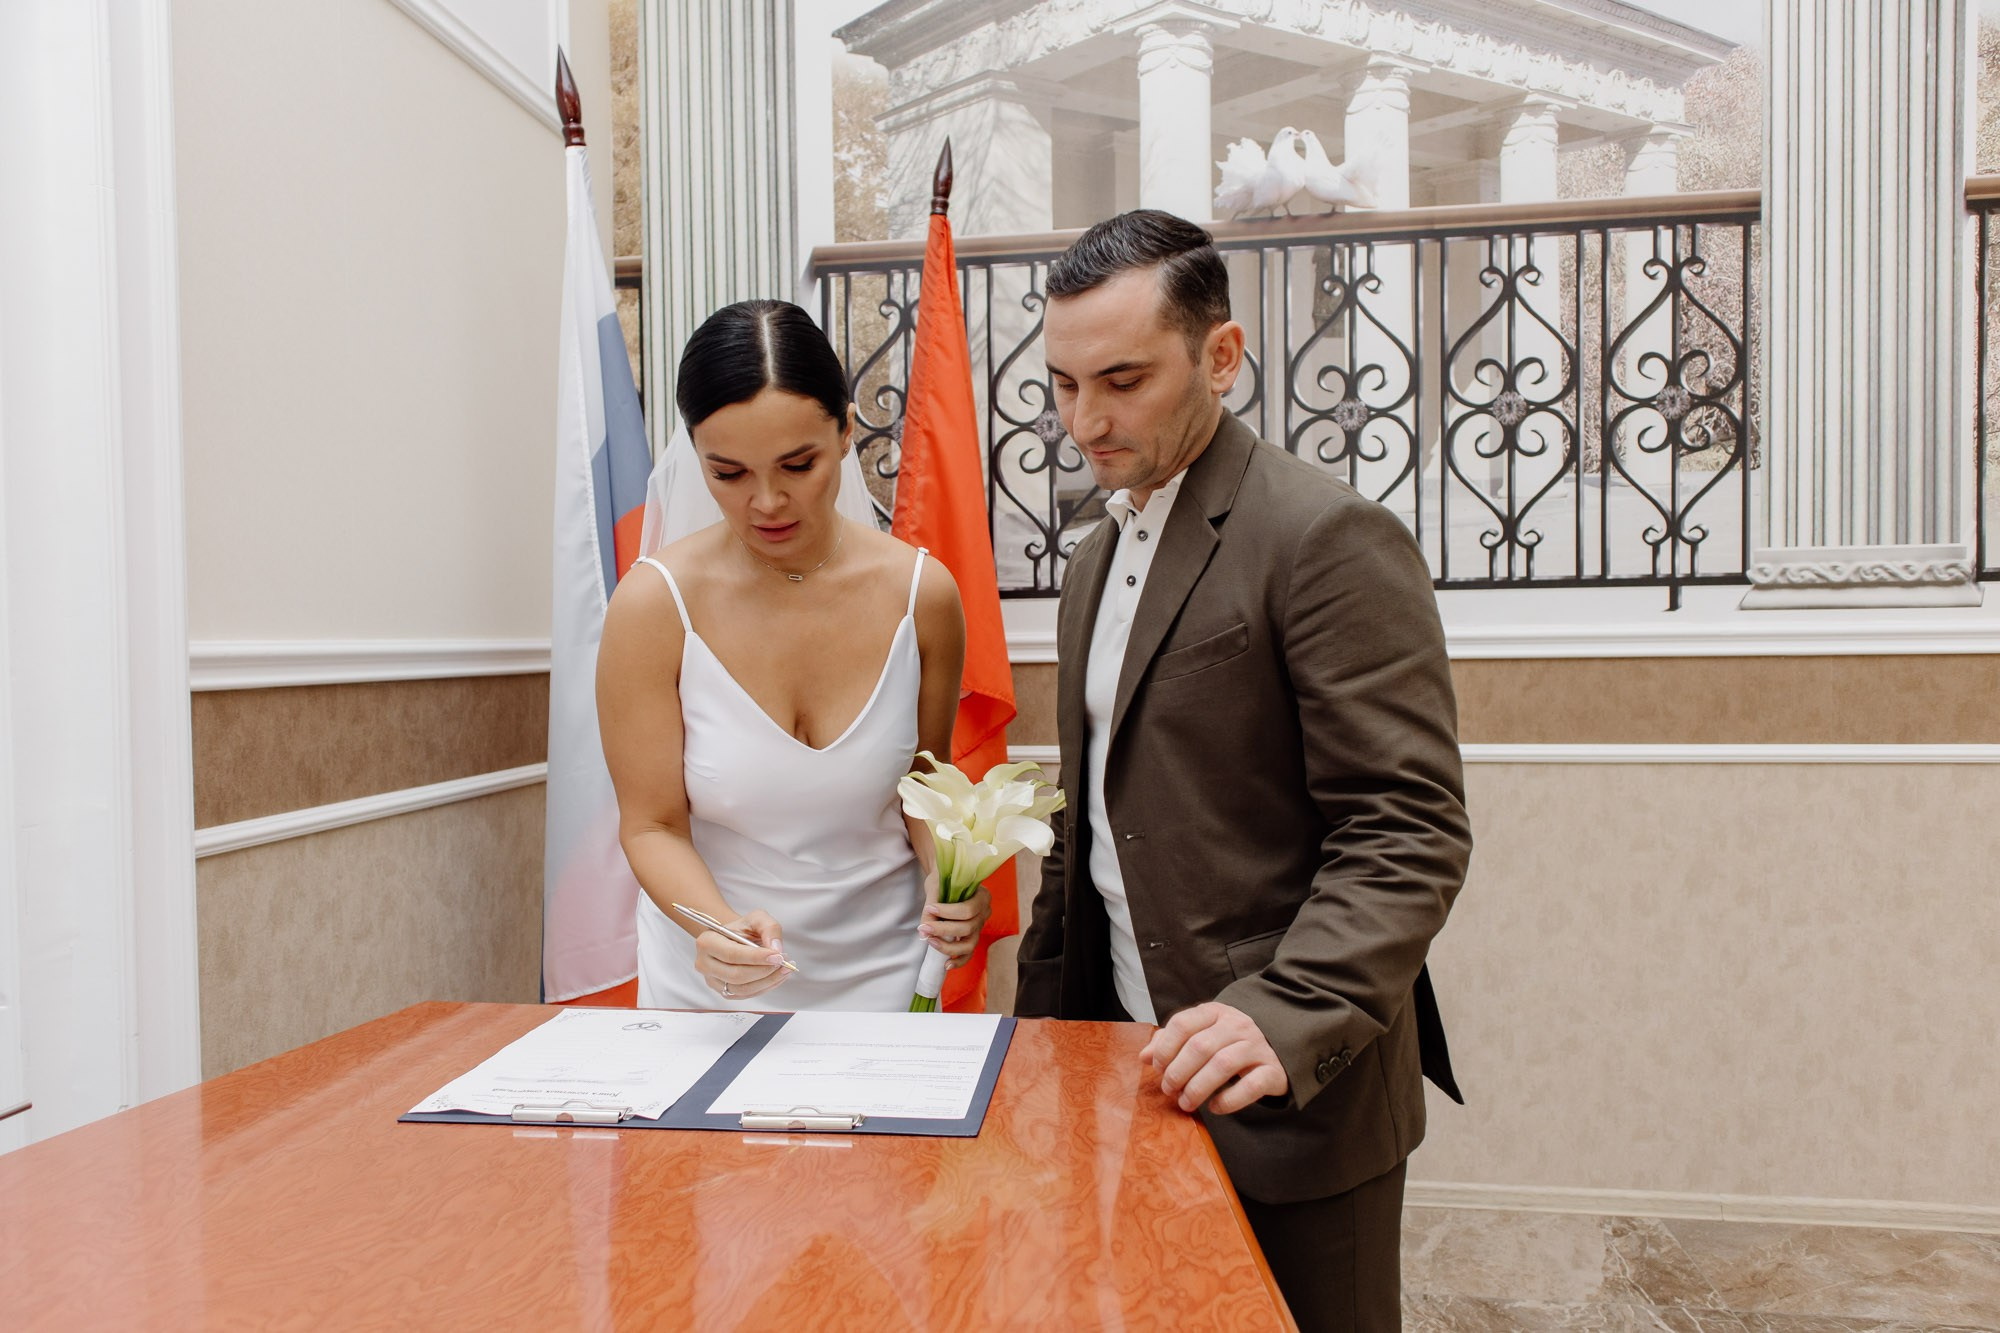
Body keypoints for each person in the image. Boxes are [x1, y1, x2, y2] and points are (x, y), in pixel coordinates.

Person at [1013, 212, 1472, 1330]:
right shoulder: (1091, 560)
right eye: (1063, 385)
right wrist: (1033, 1048)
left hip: (1287, 1089)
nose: (1086, 420)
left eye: (1121, 379)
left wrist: (1286, 1012)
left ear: (1220, 356)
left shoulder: (1325, 536)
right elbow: (1090, 831)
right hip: (1120, 1070)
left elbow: (1405, 827)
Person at [597, 299, 986, 1011]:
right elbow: (651, 823)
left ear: (844, 432)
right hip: (714, 985)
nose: (767, 502)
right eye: (729, 474)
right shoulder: (652, 608)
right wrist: (716, 927)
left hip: (888, 978)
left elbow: (925, 788)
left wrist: (952, 879)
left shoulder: (922, 595)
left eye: (797, 464)